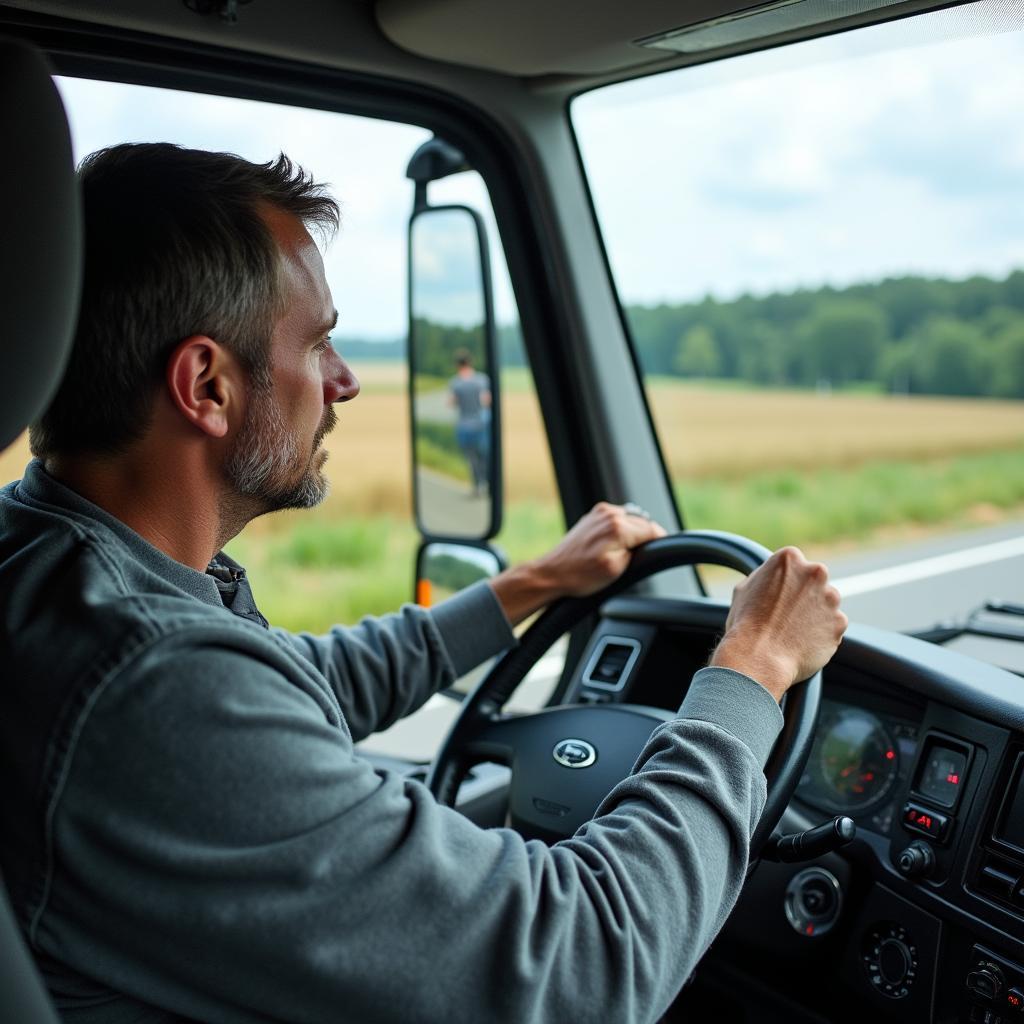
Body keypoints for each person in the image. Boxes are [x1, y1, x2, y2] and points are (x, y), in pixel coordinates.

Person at [0, 143, 847, 1024]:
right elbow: (583, 970)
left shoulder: (51, 559)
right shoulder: (150, 682)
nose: (346, 381)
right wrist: (751, 671)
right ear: (207, 385)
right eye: (320, 342)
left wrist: (530, 584)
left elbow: (288, 687)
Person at [447, 348, 491, 495]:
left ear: (457, 365)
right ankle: (485, 482)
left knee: (471, 457)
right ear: (470, 362)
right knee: (483, 455)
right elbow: (486, 400)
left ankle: (477, 485)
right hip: (481, 423)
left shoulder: (455, 382)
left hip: (464, 425)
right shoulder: (481, 379)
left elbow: (452, 403)